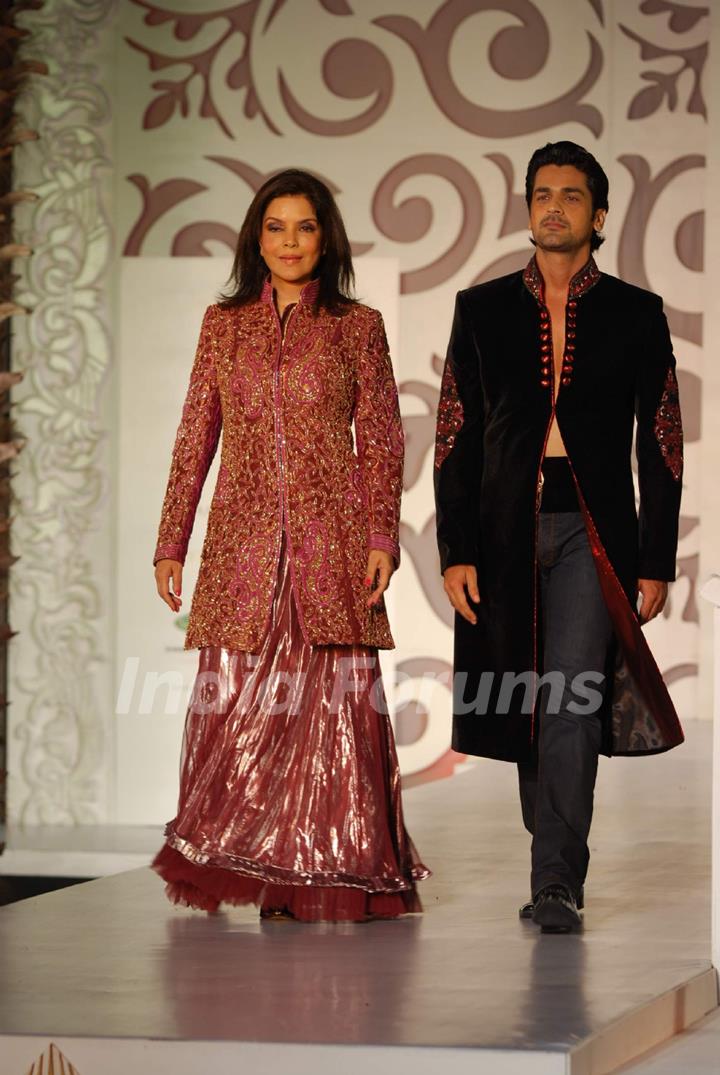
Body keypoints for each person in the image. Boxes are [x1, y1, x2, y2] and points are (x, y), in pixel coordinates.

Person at [151, 169, 429, 922]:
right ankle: (266, 869)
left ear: (325, 237)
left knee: (326, 713)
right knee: (245, 707)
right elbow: (194, 437)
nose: (290, 242)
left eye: (304, 227)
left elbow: (380, 437)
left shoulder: (355, 326)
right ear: (256, 238)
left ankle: (327, 869)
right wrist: (171, 539)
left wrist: (380, 535)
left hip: (329, 547)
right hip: (242, 547)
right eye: (276, 227)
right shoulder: (224, 325)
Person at [434, 141, 683, 933]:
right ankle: (552, 857)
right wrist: (456, 548)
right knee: (527, 708)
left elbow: (663, 440)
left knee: (571, 697)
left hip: (592, 530)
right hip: (504, 532)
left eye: (571, 196)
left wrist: (655, 556)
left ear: (598, 216)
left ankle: (555, 883)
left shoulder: (637, 314)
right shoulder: (480, 309)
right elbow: (454, 436)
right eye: (542, 193)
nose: (554, 206)